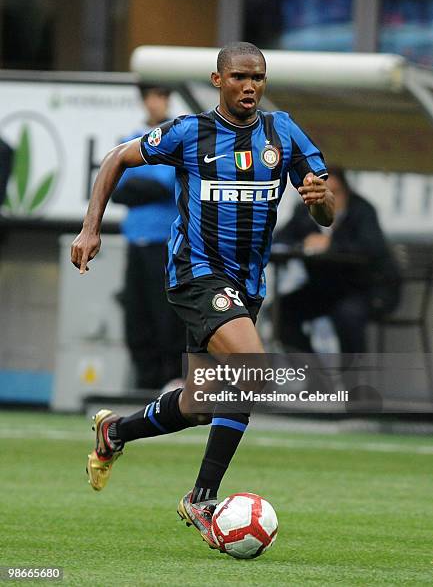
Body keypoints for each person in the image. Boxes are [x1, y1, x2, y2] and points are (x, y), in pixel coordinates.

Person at [71, 41, 334, 550]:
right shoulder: (190, 132)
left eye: (258, 77)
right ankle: (201, 497)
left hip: (247, 285)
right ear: (219, 81)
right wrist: (90, 228)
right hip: (195, 275)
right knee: (252, 368)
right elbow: (116, 159)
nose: (250, 86)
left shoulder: (285, 132)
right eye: (239, 77)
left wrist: (320, 204)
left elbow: (322, 210)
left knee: (201, 403)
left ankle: (115, 433)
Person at [274, 165, 400, 354]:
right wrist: (303, 244)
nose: (329, 199)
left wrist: (331, 244)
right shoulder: (304, 212)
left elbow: (372, 249)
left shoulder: (362, 210)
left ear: (346, 191)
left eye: (335, 192)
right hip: (324, 288)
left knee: (348, 315)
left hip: (363, 289)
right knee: (282, 312)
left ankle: (354, 379)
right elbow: (281, 240)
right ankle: (316, 376)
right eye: (322, 193)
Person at [111, 85, 184, 389]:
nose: (157, 102)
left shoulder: (175, 139)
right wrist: (144, 184)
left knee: (165, 312)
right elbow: (117, 189)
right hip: (135, 240)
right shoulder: (128, 139)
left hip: (164, 242)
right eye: (153, 96)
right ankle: (145, 381)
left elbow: (166, 185)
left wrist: (137, 183)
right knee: (136, 312)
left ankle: (170, 380)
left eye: (162, 96)